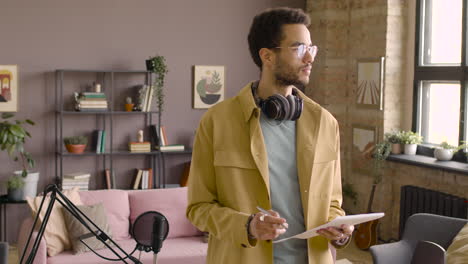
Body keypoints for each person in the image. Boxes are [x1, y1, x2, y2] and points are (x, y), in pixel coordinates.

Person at [186, 7, 353, 264]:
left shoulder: (325, 123)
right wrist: (247, 226)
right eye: (299, 49)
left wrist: (339, 231)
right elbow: (198, 208)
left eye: (312, 48)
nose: (309, 58)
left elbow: (332, 203)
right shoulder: (216, 122)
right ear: (267, 56)